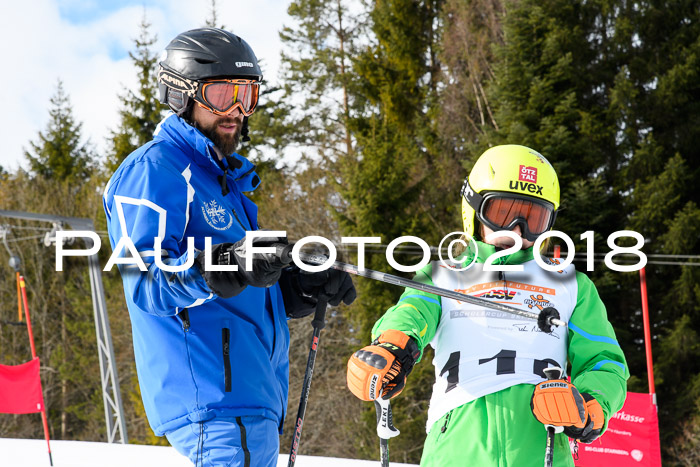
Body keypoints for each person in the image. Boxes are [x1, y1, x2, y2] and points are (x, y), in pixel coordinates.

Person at [103, 28, 355, 467]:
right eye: (222, 94)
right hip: (214, 404)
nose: (237, 110)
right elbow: (145, 280)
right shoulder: (156, 170)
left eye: (248, 95)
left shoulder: (225, 185)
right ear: (181, 94)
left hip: (254, 403)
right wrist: (228, 263)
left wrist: (297, 288)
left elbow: (244, 289)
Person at [346, 145, 629, 466]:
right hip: (458, 443)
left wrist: (590, 404)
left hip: (540, 444)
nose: (517, 230)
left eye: (533, 218)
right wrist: (391, 347)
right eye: (503, 214)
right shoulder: (444, 274)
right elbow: (412, 312)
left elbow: (605, 362)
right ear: (475, 209)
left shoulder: (570, 284)